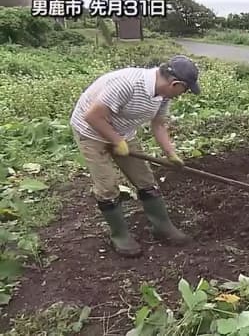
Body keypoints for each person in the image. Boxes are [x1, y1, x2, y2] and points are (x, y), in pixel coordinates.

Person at [69, 55, 201, 257]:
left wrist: (170, 153)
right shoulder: (129, 84)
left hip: (122, 132)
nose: (182, 95)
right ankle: (120, 235)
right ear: (176, 84)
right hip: (90, 131)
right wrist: (116, 141)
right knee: (107, 185)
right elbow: (92, 116)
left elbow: (158, 124)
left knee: (145, 179)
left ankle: (162, 227)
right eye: (185, 90)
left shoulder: (163, 95)